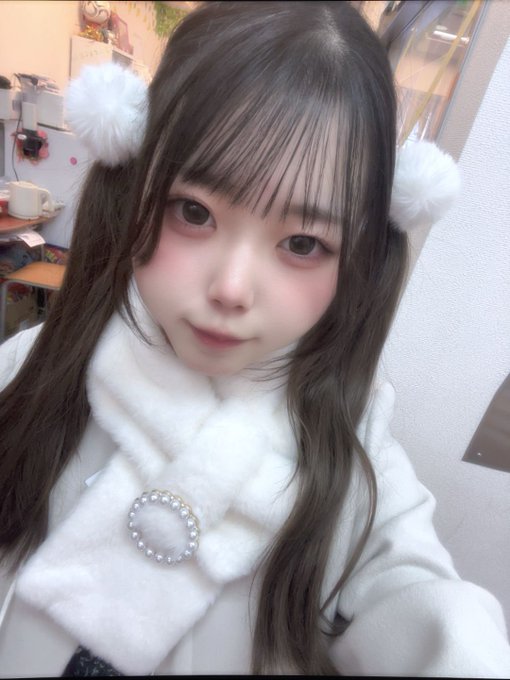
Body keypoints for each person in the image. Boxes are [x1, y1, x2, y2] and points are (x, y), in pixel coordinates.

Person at [0, 1, 509, 676]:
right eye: (194, 211)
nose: (233, 287)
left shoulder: (352, 455)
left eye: (302, 243)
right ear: (134, 184)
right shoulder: (30, 366)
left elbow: (426, 607)